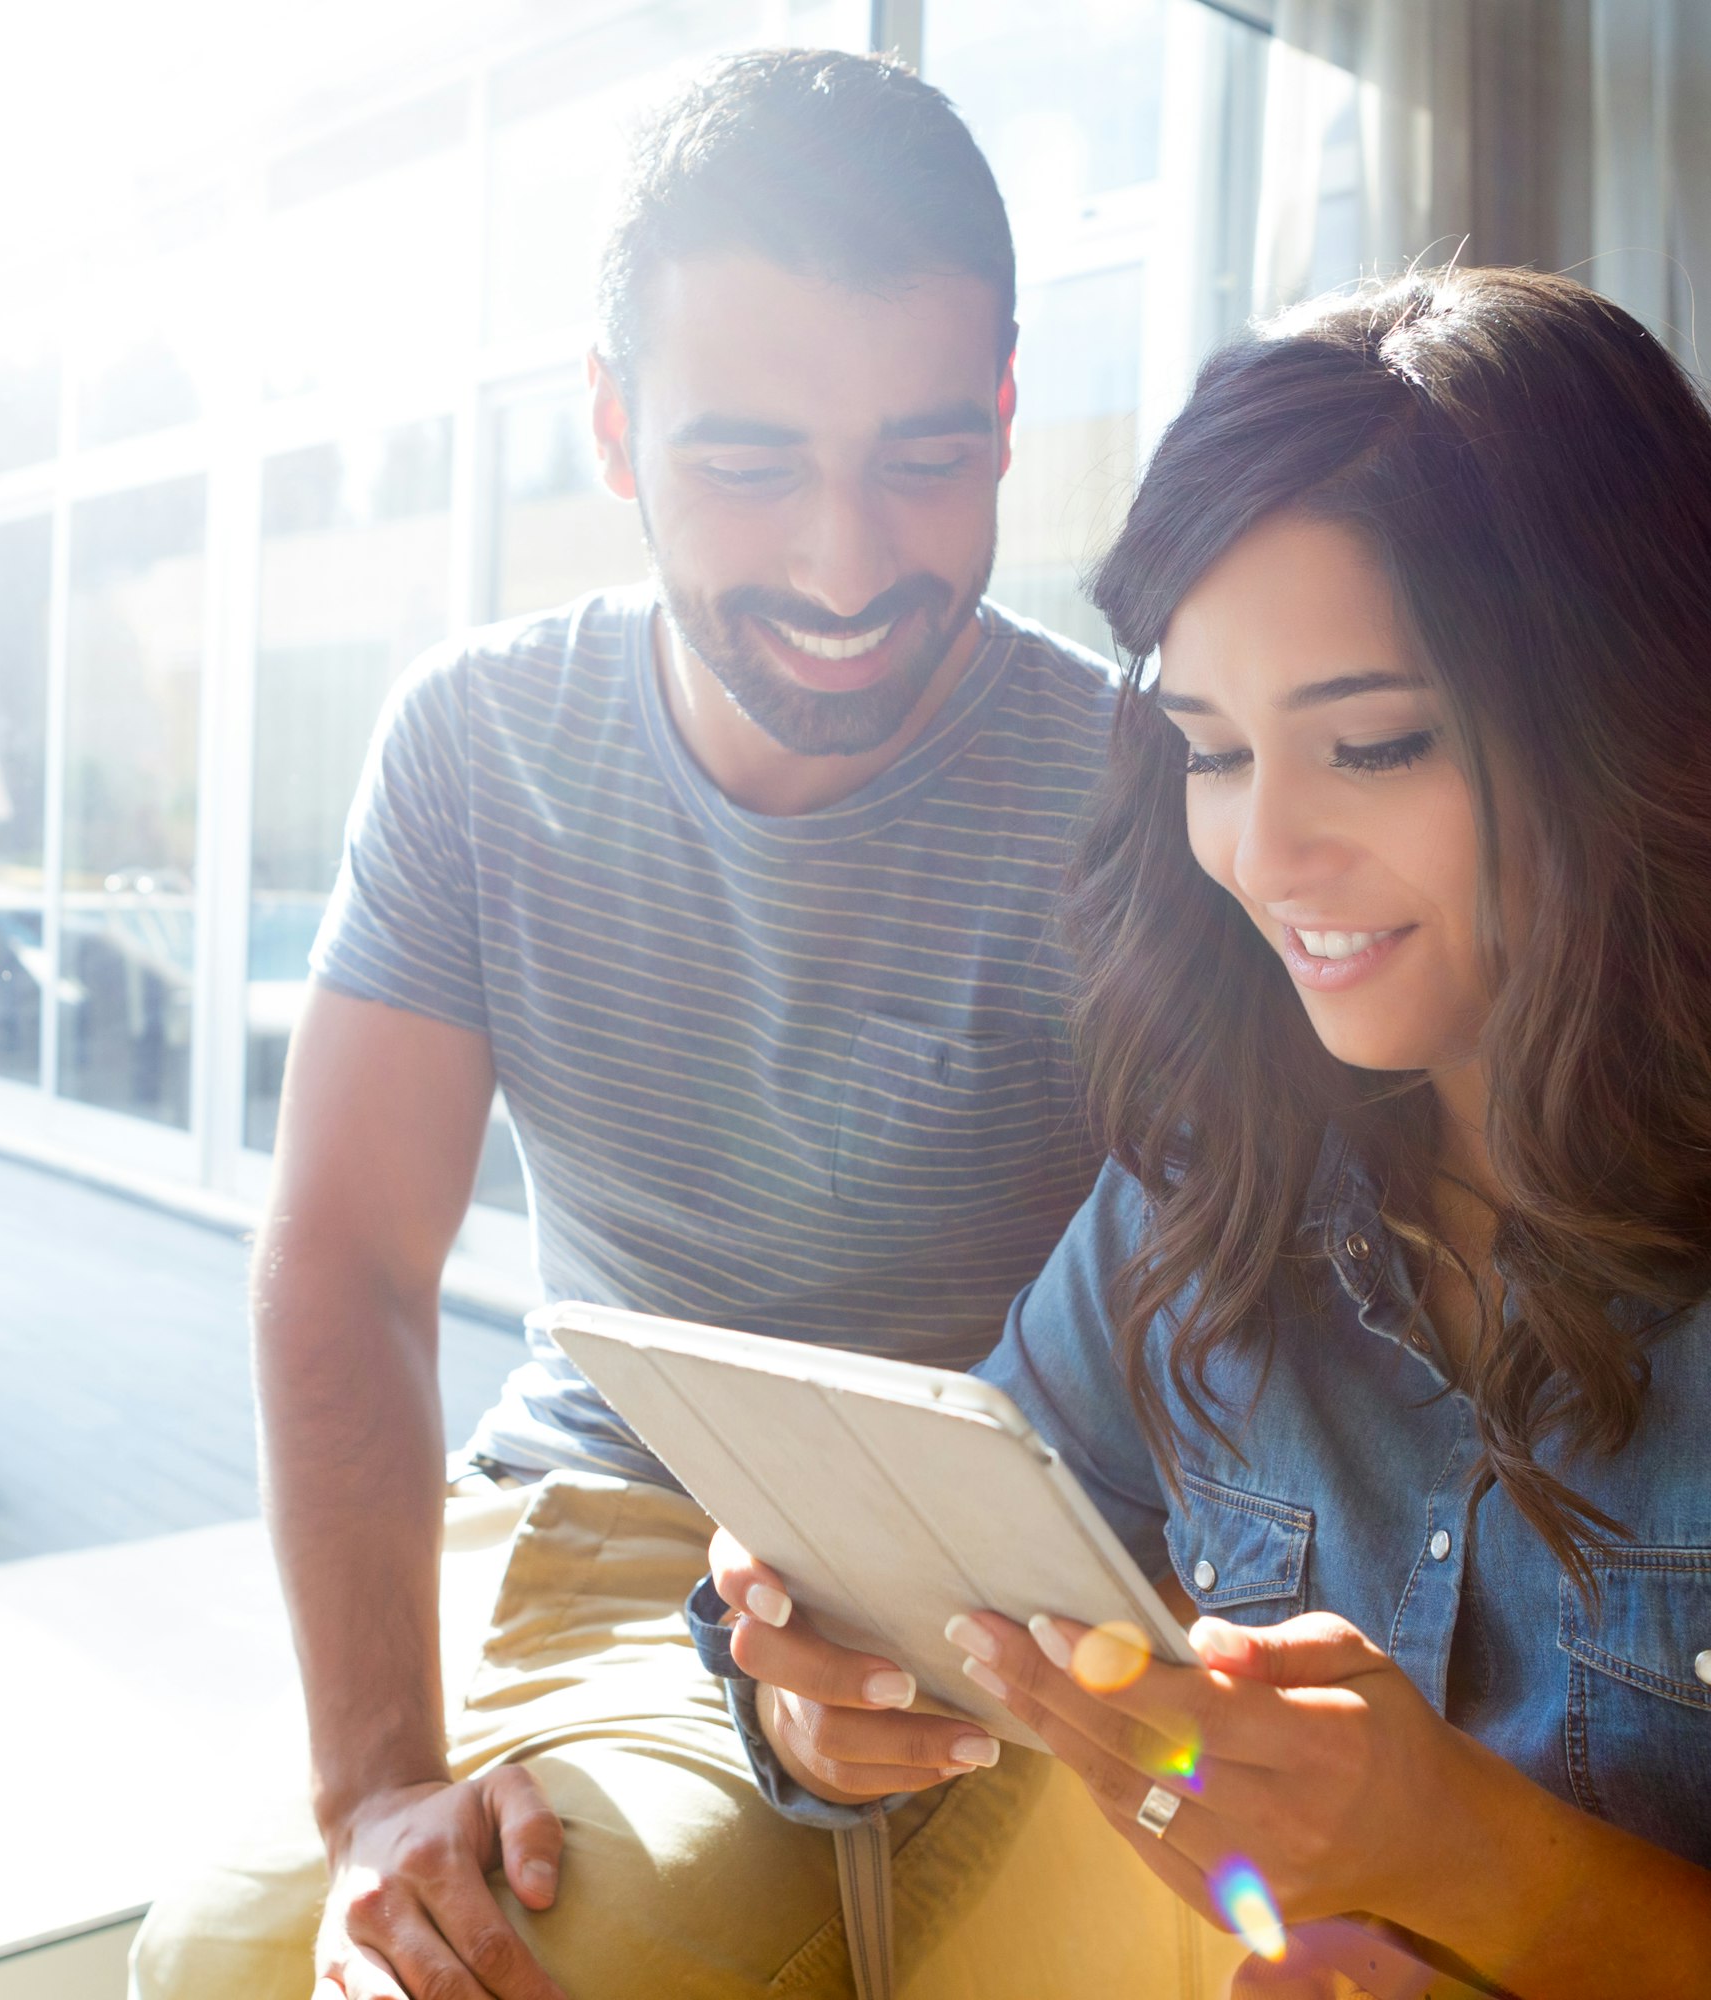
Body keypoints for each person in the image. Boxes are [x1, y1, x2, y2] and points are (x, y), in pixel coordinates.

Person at [131, 48, 1222, 2000]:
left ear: (1000, 413)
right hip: (574, 1520)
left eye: (919, 455)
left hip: (953, 1580)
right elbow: (349, 1261)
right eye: (746, 463)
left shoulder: (1138, 791)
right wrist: (382, 1783)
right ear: (614, 431)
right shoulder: (474, 745)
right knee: (215, 1956)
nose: (844, 563)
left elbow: (1236, 1335)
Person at [712, 264, 1711, 1994]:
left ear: (1634, 711)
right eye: (1212, 753)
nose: (1264, 855)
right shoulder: (1214, 1188)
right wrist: (810, 1696)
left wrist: (1481, 1872)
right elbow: (954, 1572)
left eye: (1376, 745)